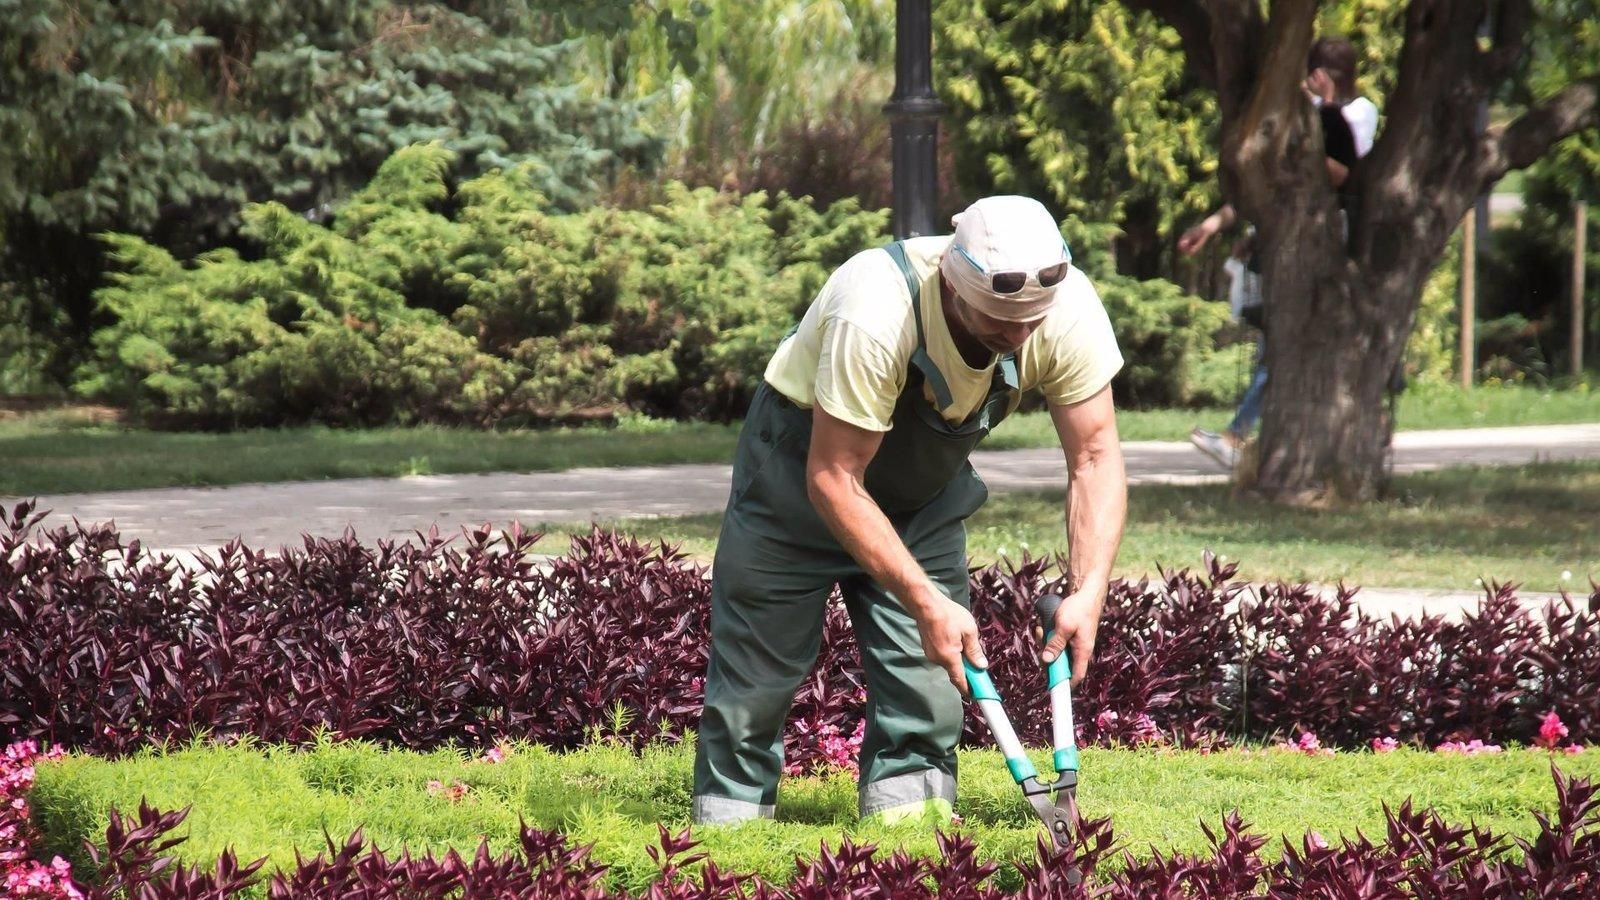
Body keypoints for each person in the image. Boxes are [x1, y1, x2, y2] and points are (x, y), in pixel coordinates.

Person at [692, 195, 1127, 826]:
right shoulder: (876, 308)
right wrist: (923, 599)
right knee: (756, 682)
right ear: (953, 283)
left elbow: (1094, 455)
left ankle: (910, 843)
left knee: (929, 685)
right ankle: (728, 844)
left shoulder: (1064, 307)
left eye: (1032, 322)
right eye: (1000, 320)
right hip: (798, 480)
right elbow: (834, 477)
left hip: (922, 497)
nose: (1020, 335)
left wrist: (1088, 590)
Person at [1182, 36, 1376, 469]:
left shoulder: (1357, 113)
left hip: (1331, 241)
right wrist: (1216, 224)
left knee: (1288, 344)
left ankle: (1239, 436)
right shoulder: (1308, 116)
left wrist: (1321, 110)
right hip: (1292, 243)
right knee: (1281, 341)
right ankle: (1241, 436)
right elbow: (1273, 179)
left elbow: (1341, 170)